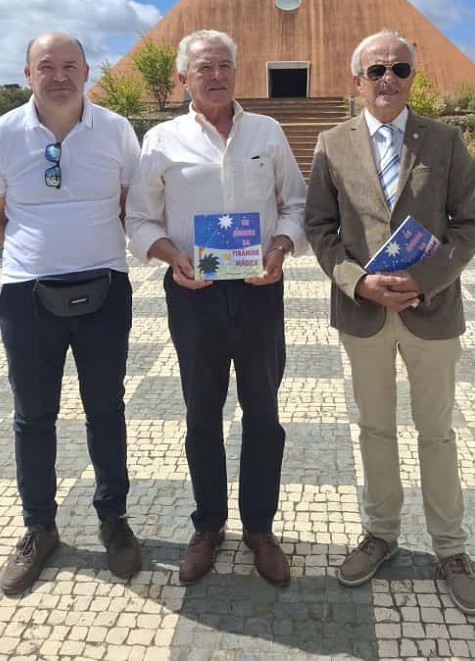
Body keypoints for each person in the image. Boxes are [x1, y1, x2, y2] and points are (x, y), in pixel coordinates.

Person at [304, 30, 475, 615]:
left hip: (431, 311)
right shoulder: (331, 144)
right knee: (374, 429)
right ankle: (381, 534)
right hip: (362, 312)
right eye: (376, 70)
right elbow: (319, 227)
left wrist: (426, 279)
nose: (388, 79)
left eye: (399, 69)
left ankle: (450, 549)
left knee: (437, 432)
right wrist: (357, 281)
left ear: (413, 76)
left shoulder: (446, 140)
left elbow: (470, 223)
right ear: (356, 79)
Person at [126, 29, 306, 587]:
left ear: (236, 72)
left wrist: (280, 248)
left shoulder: (267, 132)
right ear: (183, 78)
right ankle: (207, 527)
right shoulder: (161, 140)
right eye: (204, 67)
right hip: (193, 293)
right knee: (202, 415)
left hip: (258, 291)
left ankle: (260, 529)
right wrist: (172, 256)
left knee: (263, 415)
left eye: (224, 65)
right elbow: (139, 219)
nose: (216, 75)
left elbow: (295, 204)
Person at [0, 31, 142, 595]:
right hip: (27, 294)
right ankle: (39, 527)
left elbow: (129, 204)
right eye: (47, 66)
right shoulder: (0, 135)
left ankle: (113, 518)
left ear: (87, 72)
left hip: (106, 287)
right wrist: (36, 255)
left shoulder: (116, 130)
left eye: (71, 65)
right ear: (28, 75)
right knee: (32, 415)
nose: (60, 76)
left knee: (106, 410)